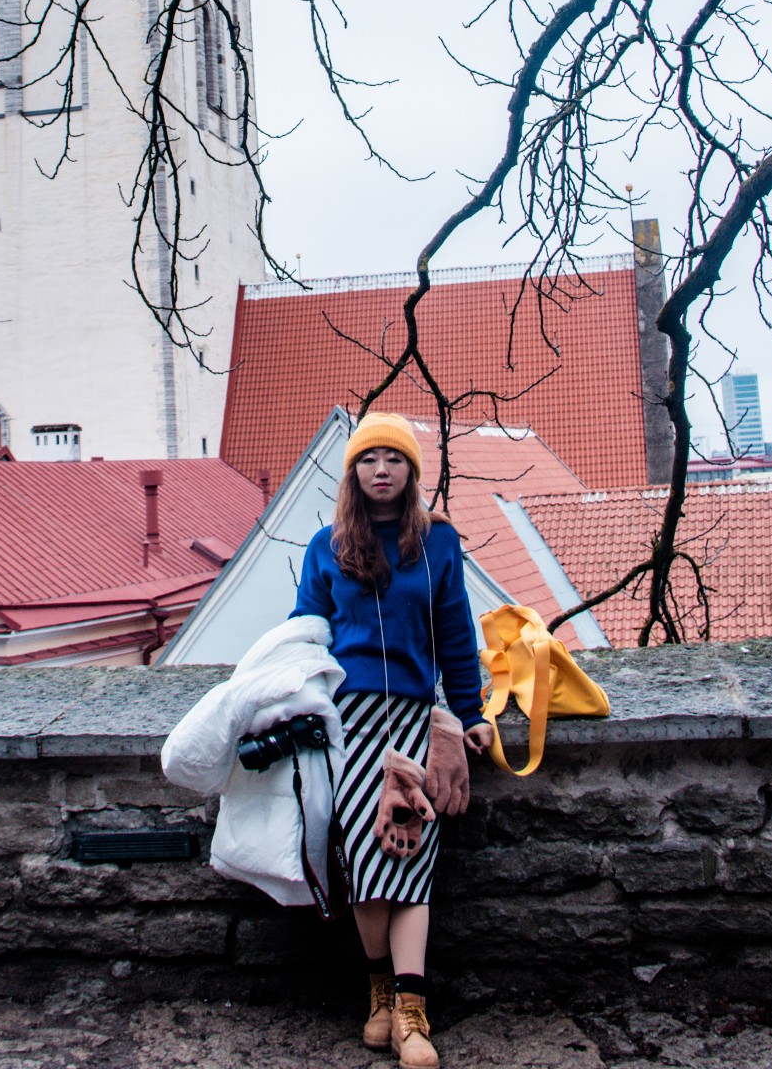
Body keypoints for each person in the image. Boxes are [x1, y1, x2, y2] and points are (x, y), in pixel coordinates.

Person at [293, 413, 493, 1064]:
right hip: (348, 728)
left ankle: (412, 1009)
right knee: (363, 862)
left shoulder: (436, 542)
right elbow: (303, 636)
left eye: (394, 459)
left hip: (412, 719)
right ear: (352, 472)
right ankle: (378, 987)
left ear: (411, 472)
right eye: (368, 459)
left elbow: (456, 633)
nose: (381, 470)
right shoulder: (325, 547)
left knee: (408, 852)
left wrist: (470, 712)